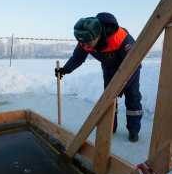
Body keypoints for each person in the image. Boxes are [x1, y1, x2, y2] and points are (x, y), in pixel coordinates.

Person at [55, 12, 142, 142]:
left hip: (130, 68)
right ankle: (110, 126)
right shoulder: (85, 39)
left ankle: (134, 130)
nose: (86, 47)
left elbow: (135, 64)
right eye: (82, 43)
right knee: (109, 98)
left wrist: (123, 85)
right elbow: (78, 58)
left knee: (133, 98)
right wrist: (65, 69)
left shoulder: (122, 40)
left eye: (88, 43)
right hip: (108, 68)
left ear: (98, 35)